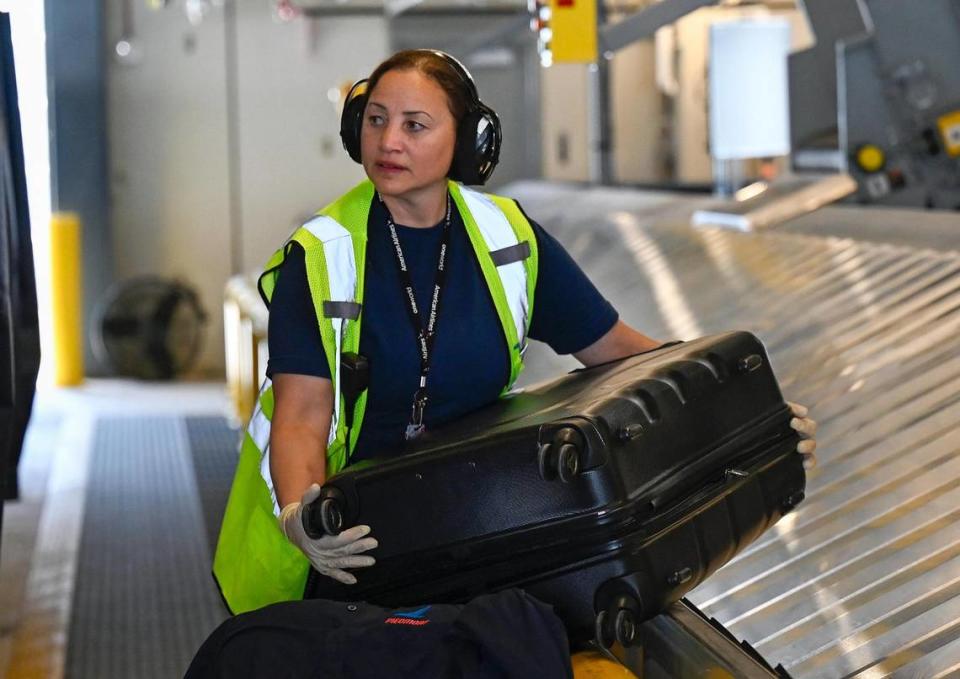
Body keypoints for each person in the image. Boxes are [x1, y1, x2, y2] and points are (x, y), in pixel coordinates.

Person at [213, 49, 818, 615]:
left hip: (467, 519)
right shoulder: (320, 257)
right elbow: (301, 414)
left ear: (467, 143)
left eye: (415, 125)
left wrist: (749, 414)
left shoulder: (506, 237)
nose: (388, 141)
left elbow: (619, 351)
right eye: (375, 120)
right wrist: (302, 516)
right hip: (351, 536)